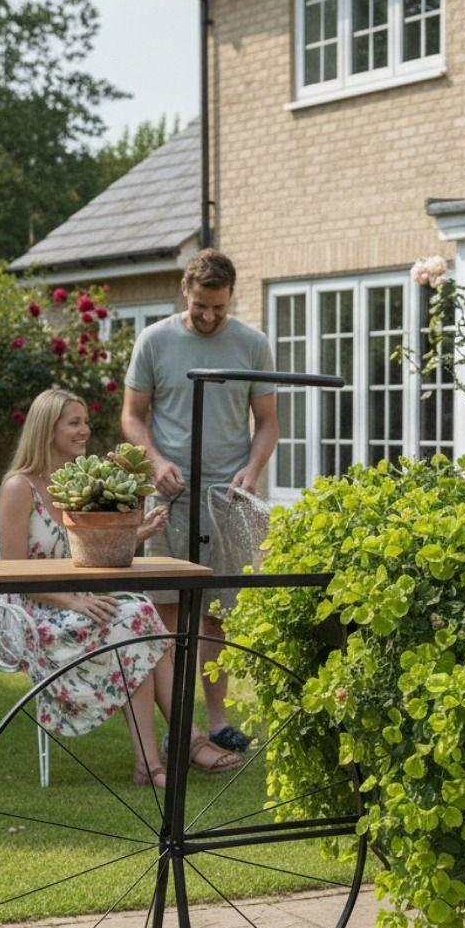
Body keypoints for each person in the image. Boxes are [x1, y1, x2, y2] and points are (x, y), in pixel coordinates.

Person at [0, 388, 242, 787]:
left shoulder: (76, 485)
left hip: (78, 602)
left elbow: (86, 556)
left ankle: (161, 755)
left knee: (138, 615)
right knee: (135, 620)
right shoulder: (18, 489)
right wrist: (73, 600)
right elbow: (13, 575)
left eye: (85, 421)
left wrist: (134, 533)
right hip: (31, 613)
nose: (85, 431)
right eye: (74, 422)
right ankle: (179, 746)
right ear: (47, 428)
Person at [121, 249, 279, 753]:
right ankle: (178, 728)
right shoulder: (155, 340)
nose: (209, 317)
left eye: (219, 308)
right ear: (184, 292)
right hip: (170, 499)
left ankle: (216, 723)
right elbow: (131, 416)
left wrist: (251, 472)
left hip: (225, 500)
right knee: (167, 615)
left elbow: (268, 423)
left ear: (230, 298)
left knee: (218, 614)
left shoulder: (252, 345)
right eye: (200, 307)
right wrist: (153, 462)